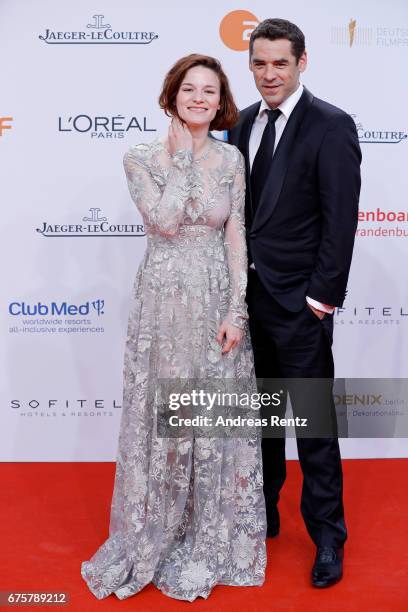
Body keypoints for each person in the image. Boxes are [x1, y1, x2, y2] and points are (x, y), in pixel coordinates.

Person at [81, 54, 267, 602]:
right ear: (172, 94)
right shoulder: (141, 156)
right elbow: (162, 221)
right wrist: (182, 162)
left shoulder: (233, 158)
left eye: (210, 91)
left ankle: (207, 537)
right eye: (190, 89)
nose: (200, 99)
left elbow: (236, 236)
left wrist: (238, 309)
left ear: (220, 101)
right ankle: (155, 533)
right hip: (163, 302)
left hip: (215, 299)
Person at [229, 18, 361, 588]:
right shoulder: (238, 125)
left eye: (280, 63)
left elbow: (341, 220)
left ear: (302, 62)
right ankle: (264, 513)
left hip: (300, 306)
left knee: (312, 427)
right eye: (259, 63)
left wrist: (320, 299)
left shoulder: (330, 126)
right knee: (258, 425)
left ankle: (328, 537)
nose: (268, 74)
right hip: (244, 305)